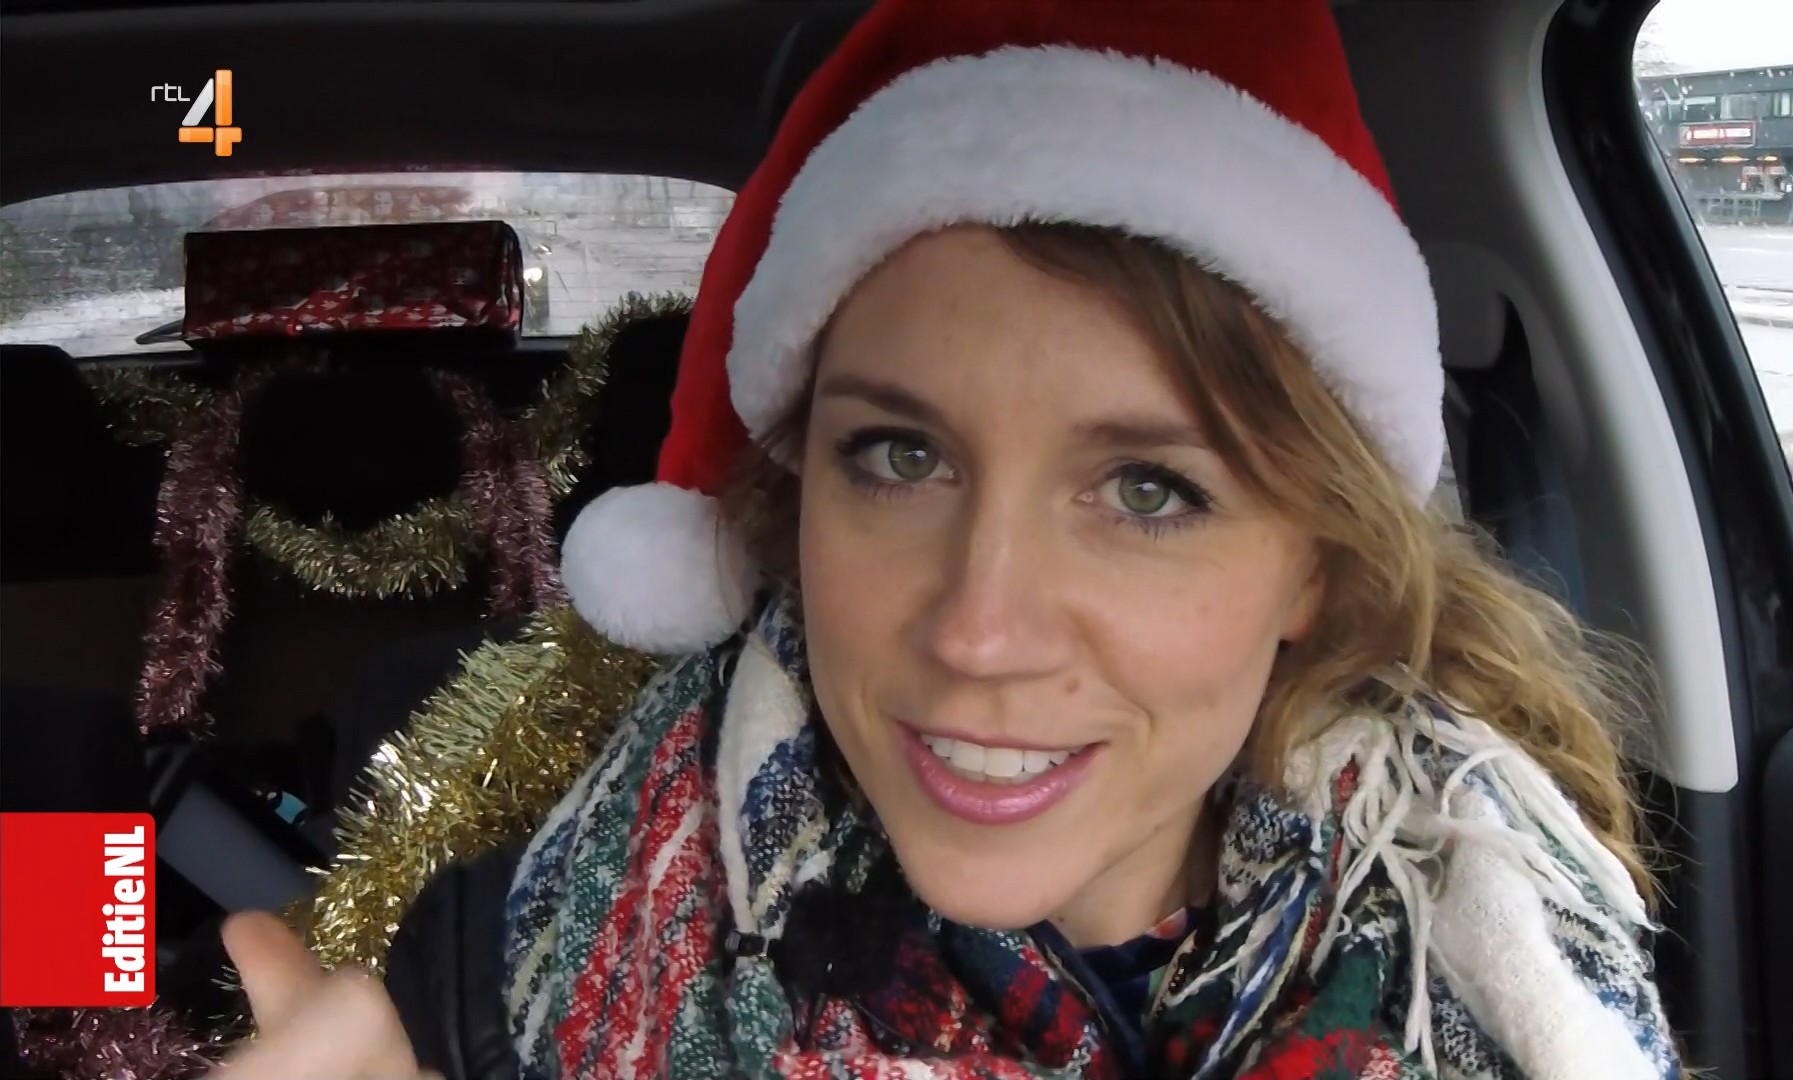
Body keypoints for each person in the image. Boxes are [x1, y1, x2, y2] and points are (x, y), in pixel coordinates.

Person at [210, 1, 1681, 1078]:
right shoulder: (495, 968)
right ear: (797, 501)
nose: (980, 632)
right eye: (901, 458)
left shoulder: (1514, 965)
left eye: (1148, 491)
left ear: (1317, 561)